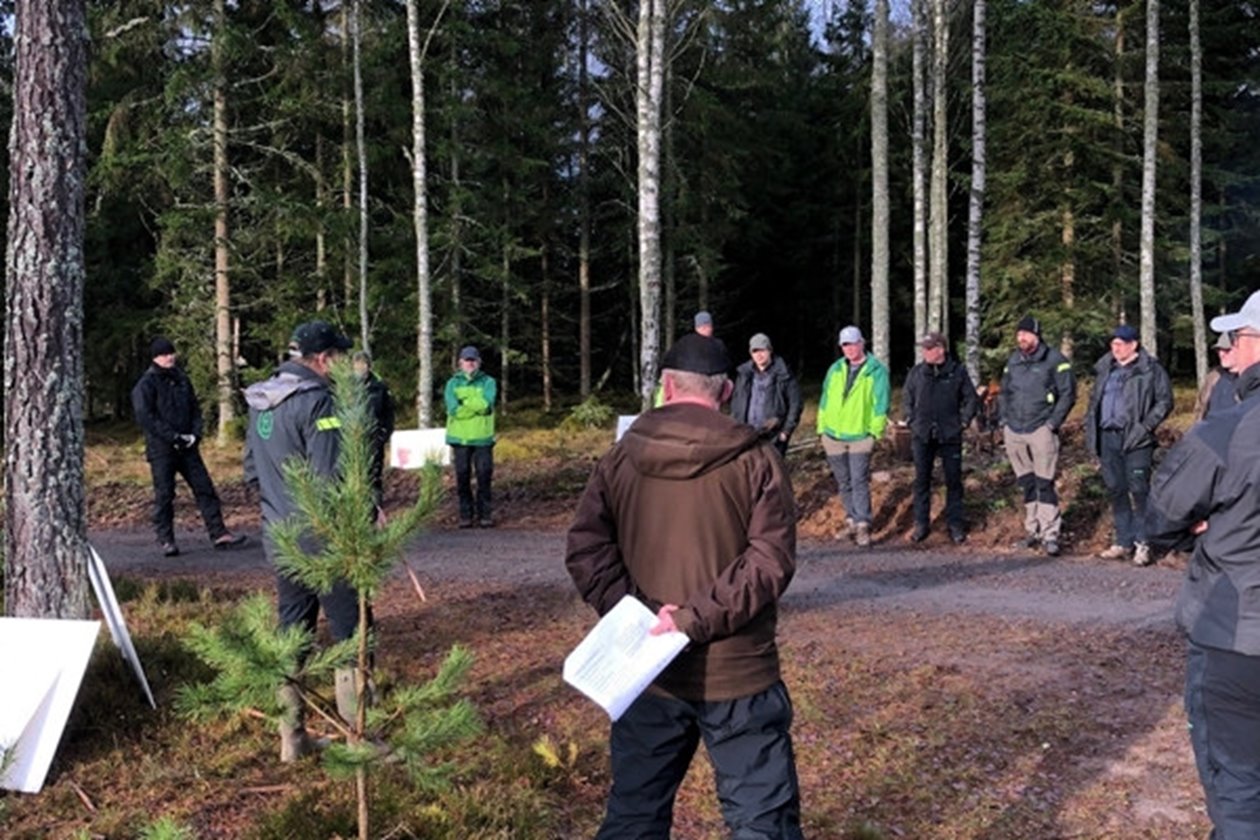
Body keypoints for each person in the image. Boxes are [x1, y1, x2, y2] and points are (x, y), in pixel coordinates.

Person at [565, 332, 804, 839]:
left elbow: (586, 549)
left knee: (634, 818)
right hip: (735, 675)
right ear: (724, 392)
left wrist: (641, 618)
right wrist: (683, 621)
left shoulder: (620, 458)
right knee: (761, 823)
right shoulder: (757, 460)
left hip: (649, 670)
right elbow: (770, 562)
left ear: (667, 387)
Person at [1145, 289, 1260, 839]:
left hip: (1237, 640)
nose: (1228, 354)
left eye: (1236, 340)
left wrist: (1205, 522)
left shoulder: (1228, 431)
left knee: (1239, 799)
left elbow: (1161, 517)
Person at [243, 319, 358, 762]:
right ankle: (360, 740)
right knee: (352, 634)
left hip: (281, 537)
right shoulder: (318, 401)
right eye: (339, 357)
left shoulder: (261, 400)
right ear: (323, 359)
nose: (343, 365)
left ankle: (292, 741)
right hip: (324, 540)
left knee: (293, 635)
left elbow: (252, 470)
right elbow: (329, 480)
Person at [131, 337, 246, 558]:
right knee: (165, 495)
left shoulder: (182, 379)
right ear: (156, 357)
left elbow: (195, 408)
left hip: (188, 447)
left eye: (171, 353)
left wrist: (195, 434)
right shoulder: (146, 385)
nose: (170, 357)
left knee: (205, 489)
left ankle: (219, 533)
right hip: (162, 450)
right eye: (165, 354)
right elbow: (146, 417)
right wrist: (173, 437)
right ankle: (166, 539)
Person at [1082, 324, 1172, 566]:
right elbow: (1094, 402)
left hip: (1137, 439)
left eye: (1120, 344)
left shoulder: (1150, 370)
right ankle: (1123, 540)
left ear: (1133, 345)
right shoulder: (1105, 369)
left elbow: (1164, 401)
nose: (1115, 348)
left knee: (1139, 490)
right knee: (1116, 489)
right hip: (1107, 437)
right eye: (1113, 344)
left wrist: (1145, 427)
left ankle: (1144, 543)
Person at [998, 315, 1076, 556]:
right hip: (1014, 430)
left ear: (1036, 335)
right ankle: (1032, 530)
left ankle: (1050, 533)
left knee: (1044, 483)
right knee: (1027, 483)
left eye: (1025, 334)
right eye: (1018, 334)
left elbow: (1068, 395)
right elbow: (1004, 392)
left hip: (1041, 429)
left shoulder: (1055, 361)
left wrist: (1052, 424)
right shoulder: (1014, 360)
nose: (1020, 338)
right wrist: (1004, 421)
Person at [817, 325, 890, 547]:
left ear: (862, 343)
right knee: (843, 481)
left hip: (860, 435)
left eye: (853, 343)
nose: (849, 349)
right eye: (845, 345)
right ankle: (850, 519)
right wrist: (822, 429)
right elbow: (824, 399)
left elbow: (881, 403)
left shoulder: (876, 370)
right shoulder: (835, 369)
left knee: (859, 480)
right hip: (833, 435)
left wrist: (874, 432)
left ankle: (862, 524)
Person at [902, 331, 977, 544]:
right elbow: (907, 398)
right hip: (922, 434)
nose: (925, 352)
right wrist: (910, 419)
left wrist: (963, 422)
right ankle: (921, 524)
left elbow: (971, 399)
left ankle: (955, 525)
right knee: (921, 481)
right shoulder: (916, 373)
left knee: (953, 481)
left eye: (929, 348)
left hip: (950, 434)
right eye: (923, 348)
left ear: (941, 349)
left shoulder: (958, 372)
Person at [444, 345, 497, 528]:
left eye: (473, 360)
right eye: (467, 360)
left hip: (483, 437)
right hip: (460, 438)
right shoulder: (452, 383)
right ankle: (465, 515)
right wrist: (474, 406)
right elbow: (453, 409)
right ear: (460, 362)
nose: (470, 363)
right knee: (462, 476)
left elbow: (486, 405)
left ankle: (485, 514)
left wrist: (464, 401)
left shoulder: (488, 382)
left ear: (479, 362)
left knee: (484, 475)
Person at [729, 332, 803, 456]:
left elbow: (796, 404)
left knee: (773, 474)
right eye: (755, 351)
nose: (759, 355)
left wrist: (786, 431)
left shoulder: (784, 374)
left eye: (762, 350)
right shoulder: (744, 374)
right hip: (747, 435)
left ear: (770, 350)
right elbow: (736, 402)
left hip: (773, 437)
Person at [351, 350, 396, 513]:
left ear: (369, 366)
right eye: (357, 364)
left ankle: (376, 509)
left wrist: (384, 433)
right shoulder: (347, 387)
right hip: (353, 438)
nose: (361, 367)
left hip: (374, 437)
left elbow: (388, 413)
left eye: (364, 364)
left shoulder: (380, 387)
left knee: (374, 475)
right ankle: (357, 509)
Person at [1192, 332, 1239, 422]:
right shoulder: (1213, 377)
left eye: (1227, 350)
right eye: (1219, 350)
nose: (1221, 354)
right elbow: (1200, 408)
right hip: (1210, 433)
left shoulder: (1251, 379)